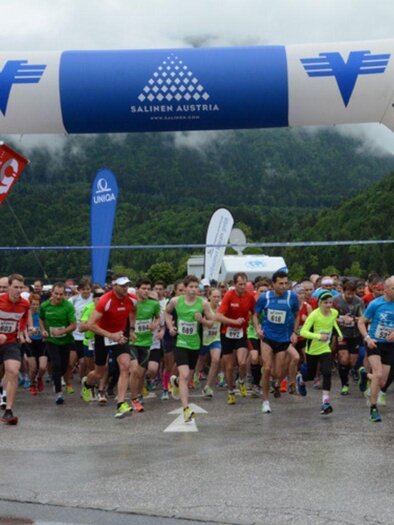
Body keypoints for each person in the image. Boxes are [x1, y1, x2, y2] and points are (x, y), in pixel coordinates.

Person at [82, 276, 136, 419]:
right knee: (99, 373)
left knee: (125, 365)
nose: (125, 288)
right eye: (122, 285)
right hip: (102, 335)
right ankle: (87, 384)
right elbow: (91, 325)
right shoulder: (105, 301)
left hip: (120, 335)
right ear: (114, 286)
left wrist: (131, 330)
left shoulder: (131, 299)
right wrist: (110, 335)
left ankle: (121, 404)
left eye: (127, 285)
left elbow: (133, 311)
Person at [165, 275, 214, 422]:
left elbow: (212, 322)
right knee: (185, 375)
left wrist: (202, 320)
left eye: (196, 287)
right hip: (180, 342)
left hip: (195, 343)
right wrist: (170, 327)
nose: (193, 290)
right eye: (190, 287)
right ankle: (186, 409)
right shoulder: (175, 301)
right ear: (185, 288)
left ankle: (176, 382)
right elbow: (166, 312)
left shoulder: (203, 303)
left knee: (187, 376)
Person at [254, 270, 299, 414]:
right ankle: (265, 401)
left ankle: (276, 382)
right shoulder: (264, 297)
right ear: (273, 284)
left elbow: (297, 315)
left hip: (283, 338)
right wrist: (258, 328)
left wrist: (294, 332)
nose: (284, 286)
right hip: (267, 337)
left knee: (277, 373)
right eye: (280, 283)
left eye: (286, 283)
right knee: (267, 368)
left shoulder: (292, 297)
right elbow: (255, 314)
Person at [297, 291, 343, 415]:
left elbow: (333, 323)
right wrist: (318, 336)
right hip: (312, 349)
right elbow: (303, 332)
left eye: (330, 303)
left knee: (327, 373)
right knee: (311, 376)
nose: (329, 305)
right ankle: (301, 379)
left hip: (325, 348)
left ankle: (325, 402)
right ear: (320, 303)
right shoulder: (314, 315)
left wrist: (339, 334)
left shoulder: (334, 313)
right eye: (326, 303)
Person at [357, 276, 394, 423]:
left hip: (390, 345)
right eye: (393, 288)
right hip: (374, 343)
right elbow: (361, 322)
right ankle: (373, 408)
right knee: (378, 375)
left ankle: (365, 375)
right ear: (385, 289)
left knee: (382, 382)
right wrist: (367, 338)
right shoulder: (375, 304)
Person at [216, 272, 256, 405]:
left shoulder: (250, 296)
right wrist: (233, 322)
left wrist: (257, 327)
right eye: (240, 284)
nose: (243, 287)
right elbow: (219, 316)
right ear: (234, 284)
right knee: (229, 366)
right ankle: (231, 391)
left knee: (242, 362)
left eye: (244, 284)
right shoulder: (229, 295)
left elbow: (255, 313)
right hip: (226, 333)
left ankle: (242, 381)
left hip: (241, 333)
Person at [0, 273, 31, 425]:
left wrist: (21, 331)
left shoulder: (24, 304)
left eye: (21, 287)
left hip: (11, 343)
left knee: (13, 371)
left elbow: (23, 319)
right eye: (15, 287)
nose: (18, 290)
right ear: (9, 287)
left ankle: (8, 410)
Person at [39, 282, 77, 405]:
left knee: (65, 365)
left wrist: (62, 331)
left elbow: (73, 325)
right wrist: (43, 330)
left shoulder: (68, 306)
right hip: (51, 340)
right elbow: (41, 318)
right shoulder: (45, 306)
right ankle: (59, 393)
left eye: (61, 294)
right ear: (52, 293)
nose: (59, 296)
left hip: (66, 340)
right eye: (56, 294)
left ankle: (57, 379)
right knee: (56, 363)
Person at [129, 278, 160, 412]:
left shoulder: (154, 304)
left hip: (146, 342)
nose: (146, 291)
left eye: (148, 289)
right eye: (143, 288)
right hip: (132, 341)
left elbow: (158, 317)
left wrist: (154, 324)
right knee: (134, 370)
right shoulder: (131, 303)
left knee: (141, 374)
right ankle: (134, 398)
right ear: (137, 289)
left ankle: (139, 393)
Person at [333, 280, 364, 395]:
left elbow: (363, 318)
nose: (350, 296)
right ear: (343, 291)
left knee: (352, 362)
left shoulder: (359, 301)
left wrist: (354, 319)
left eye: (352, 293)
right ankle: (344, 384)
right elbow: (330, 317)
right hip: (341, 334)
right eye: (348, 293)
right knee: (344, 358)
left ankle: (353, 372)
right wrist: (341, 319)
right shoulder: (336, 300)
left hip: (355, 334)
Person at [65, 278, 93, 393]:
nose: (86, 291)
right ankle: (67, 382)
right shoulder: (73, 300)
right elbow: (66, 313)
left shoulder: (94, 300)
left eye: (88, 289)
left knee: (84, 362)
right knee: (71, 363)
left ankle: (84, 382)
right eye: (83, 289)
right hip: (74, 335)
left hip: (87, 336)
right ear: (79, 290)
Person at [25, 293, 47, 396]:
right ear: (29, 304)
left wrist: (44, 333)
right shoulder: (26, 313)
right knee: (33, 368)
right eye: (33, 304)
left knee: (42, 367)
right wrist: (27, 336)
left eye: (37, 304)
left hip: (41, 342)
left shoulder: (42, 313)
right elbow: (23, 327)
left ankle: (39, 378)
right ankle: (32, 384)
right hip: (30, 342)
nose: (35, 306)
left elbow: (46, 324)